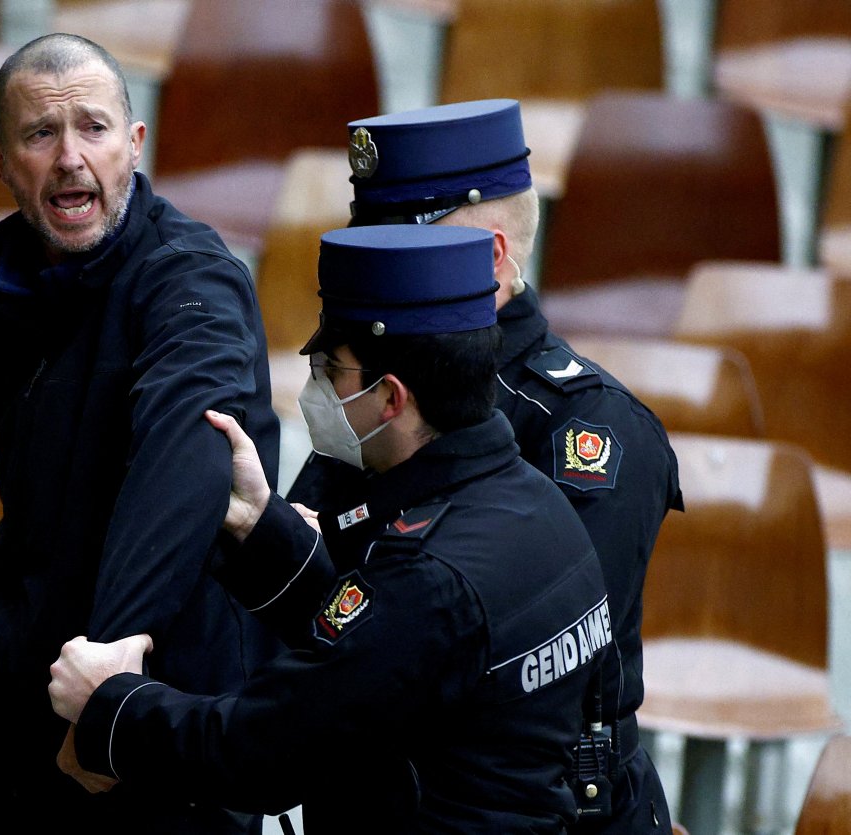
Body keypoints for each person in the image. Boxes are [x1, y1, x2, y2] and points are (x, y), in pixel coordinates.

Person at [49, 224, 615, 833]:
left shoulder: (430, 576)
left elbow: (262, 750)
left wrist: (112, 705)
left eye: (330, 370)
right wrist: (259, 524)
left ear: (391, 397)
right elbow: (383, 657)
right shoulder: (534, 504)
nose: (316, 388)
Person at [289, 99, 684, 833]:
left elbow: (503, 667)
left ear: (493, 258)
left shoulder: (588, 428)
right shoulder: (378, 388)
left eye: (402, 242)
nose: (375, 264)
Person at [0, 33, 281, 833]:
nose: (70, 158)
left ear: (134, 144)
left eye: (93, 128)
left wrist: (111, 682)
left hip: (157, 755)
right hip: (28, 749)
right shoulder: (4, 306)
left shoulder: (192, 281)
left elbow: (186, 459)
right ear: (0, 160)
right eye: (40, 134)